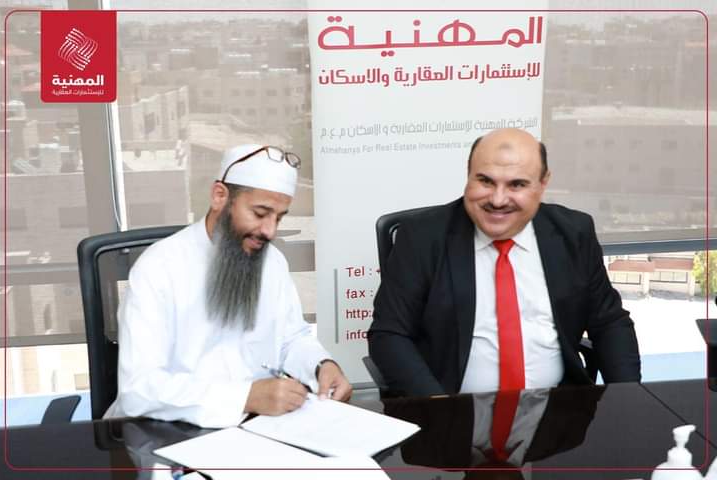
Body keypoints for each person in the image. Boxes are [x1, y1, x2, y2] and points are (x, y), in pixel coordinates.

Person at [368, 128, 640, 397]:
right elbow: (389, 334)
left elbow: (609, 322)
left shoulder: (574, 232)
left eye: (517, 184)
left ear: (543, 183)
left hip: (558, 406)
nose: (498, 200)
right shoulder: (423, 237)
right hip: (452, 407)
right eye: (485, 181)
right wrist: (438, 407)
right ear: (468, 174)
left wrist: (628, 398)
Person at [105, 144, 352, 428]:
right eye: (260, 213)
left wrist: (321, 365)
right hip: (166, 431)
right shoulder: (158, 268)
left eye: (279, 217)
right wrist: (245, 397)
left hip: (258, 427)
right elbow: (139, 389)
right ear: (219, 196)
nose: (270, 231)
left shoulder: (272, 262)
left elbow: (290, 338)